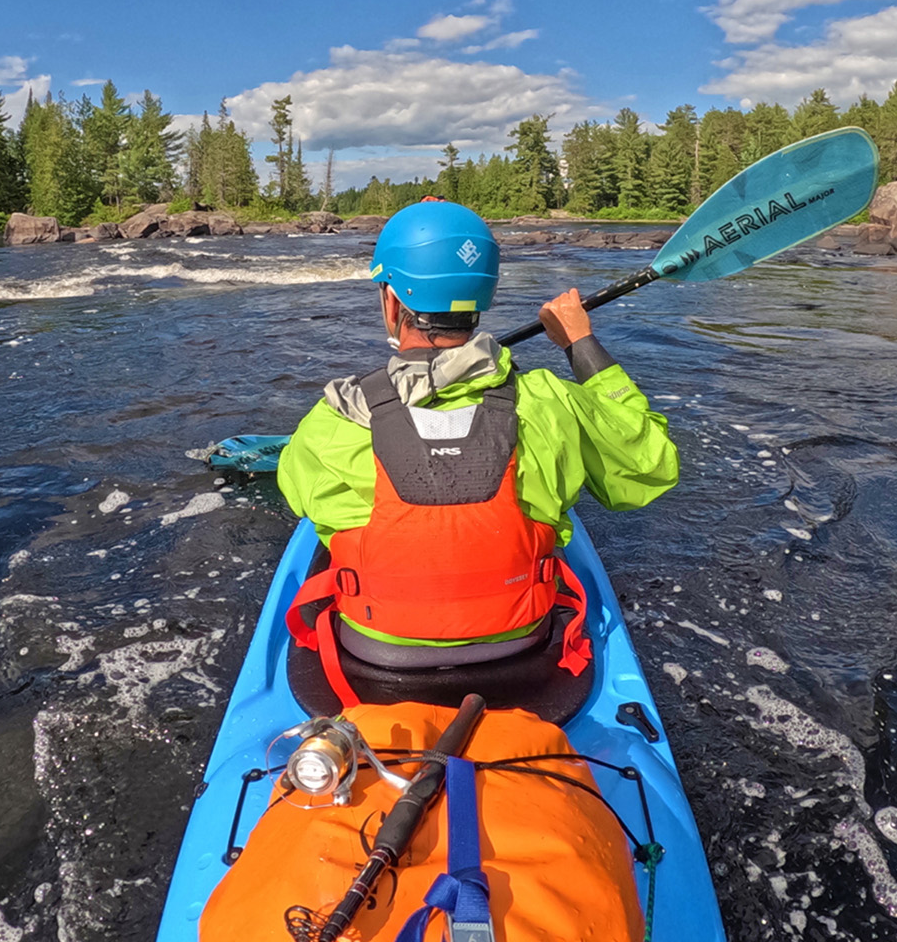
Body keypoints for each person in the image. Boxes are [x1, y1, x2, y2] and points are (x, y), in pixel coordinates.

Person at [277, 199, 678, 707]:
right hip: (523, 645)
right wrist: (580, 343)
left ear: (391, 302)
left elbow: (296, 493)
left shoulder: (336, 418)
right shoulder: (550, 402)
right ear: (482, 296)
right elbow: (650, 467)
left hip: (374, 655)